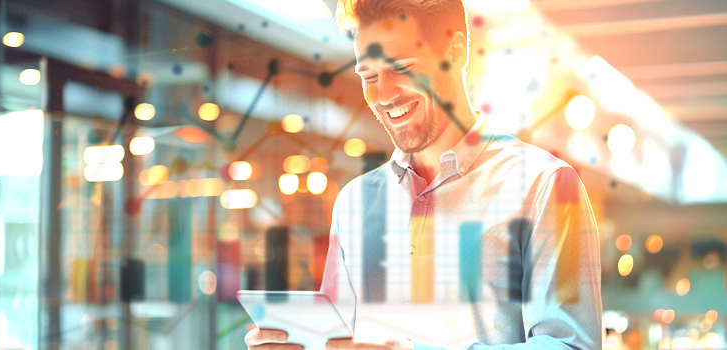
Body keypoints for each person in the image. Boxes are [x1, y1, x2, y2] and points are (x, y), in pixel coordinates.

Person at [246, 0, 602, 348]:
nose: (383, 94)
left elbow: (570, 346)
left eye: (401, 68)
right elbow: (340, 341)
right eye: (368, 75)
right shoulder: (353, 203)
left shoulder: (544, 186)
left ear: (456, 53)